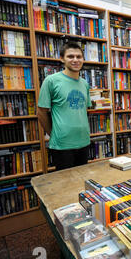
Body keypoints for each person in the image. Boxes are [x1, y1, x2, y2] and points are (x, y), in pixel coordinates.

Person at [38, 42, 91, 171]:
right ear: (62, 58)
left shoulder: (84, 84)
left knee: (83, 182)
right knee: (66, 186)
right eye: (70, 56)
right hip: (62, 145)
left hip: (84, 142)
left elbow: (84, 111)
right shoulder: (51, 81)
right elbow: (41, 112)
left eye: (79, 57)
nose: (75, 60)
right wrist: (54, 134)